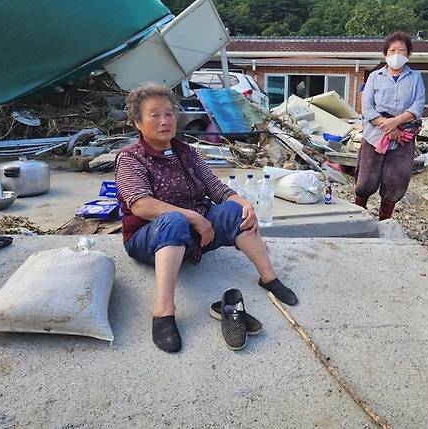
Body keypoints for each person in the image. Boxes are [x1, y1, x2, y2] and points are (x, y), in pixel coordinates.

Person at [115, 83, 297, 353]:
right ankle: (163, 312)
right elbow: (141, 205)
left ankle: (268, 278)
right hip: (149, 237)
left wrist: (243, 203)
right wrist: (191, 216)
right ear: (137, 123)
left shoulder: (187, 152)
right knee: (174, 220)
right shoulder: (130, 158)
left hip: (197, 233)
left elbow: (216, 188)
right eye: (155, 115)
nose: (165, 121)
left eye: (169, 114)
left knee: (236, 212)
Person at [355, 31, 426, 221]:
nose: (397, 54)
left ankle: (384, 222)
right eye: (392, 50)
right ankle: (356, 217)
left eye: (401, 50)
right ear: (385, 54)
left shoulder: (415, 78)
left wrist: (396, 123)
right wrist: (387, 126)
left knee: (395, 181)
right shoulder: (375, 77)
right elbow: (367, 107)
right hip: (374, 135)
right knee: (366, 181)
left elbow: (418, 106)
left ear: (408, 54)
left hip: (404, 136)